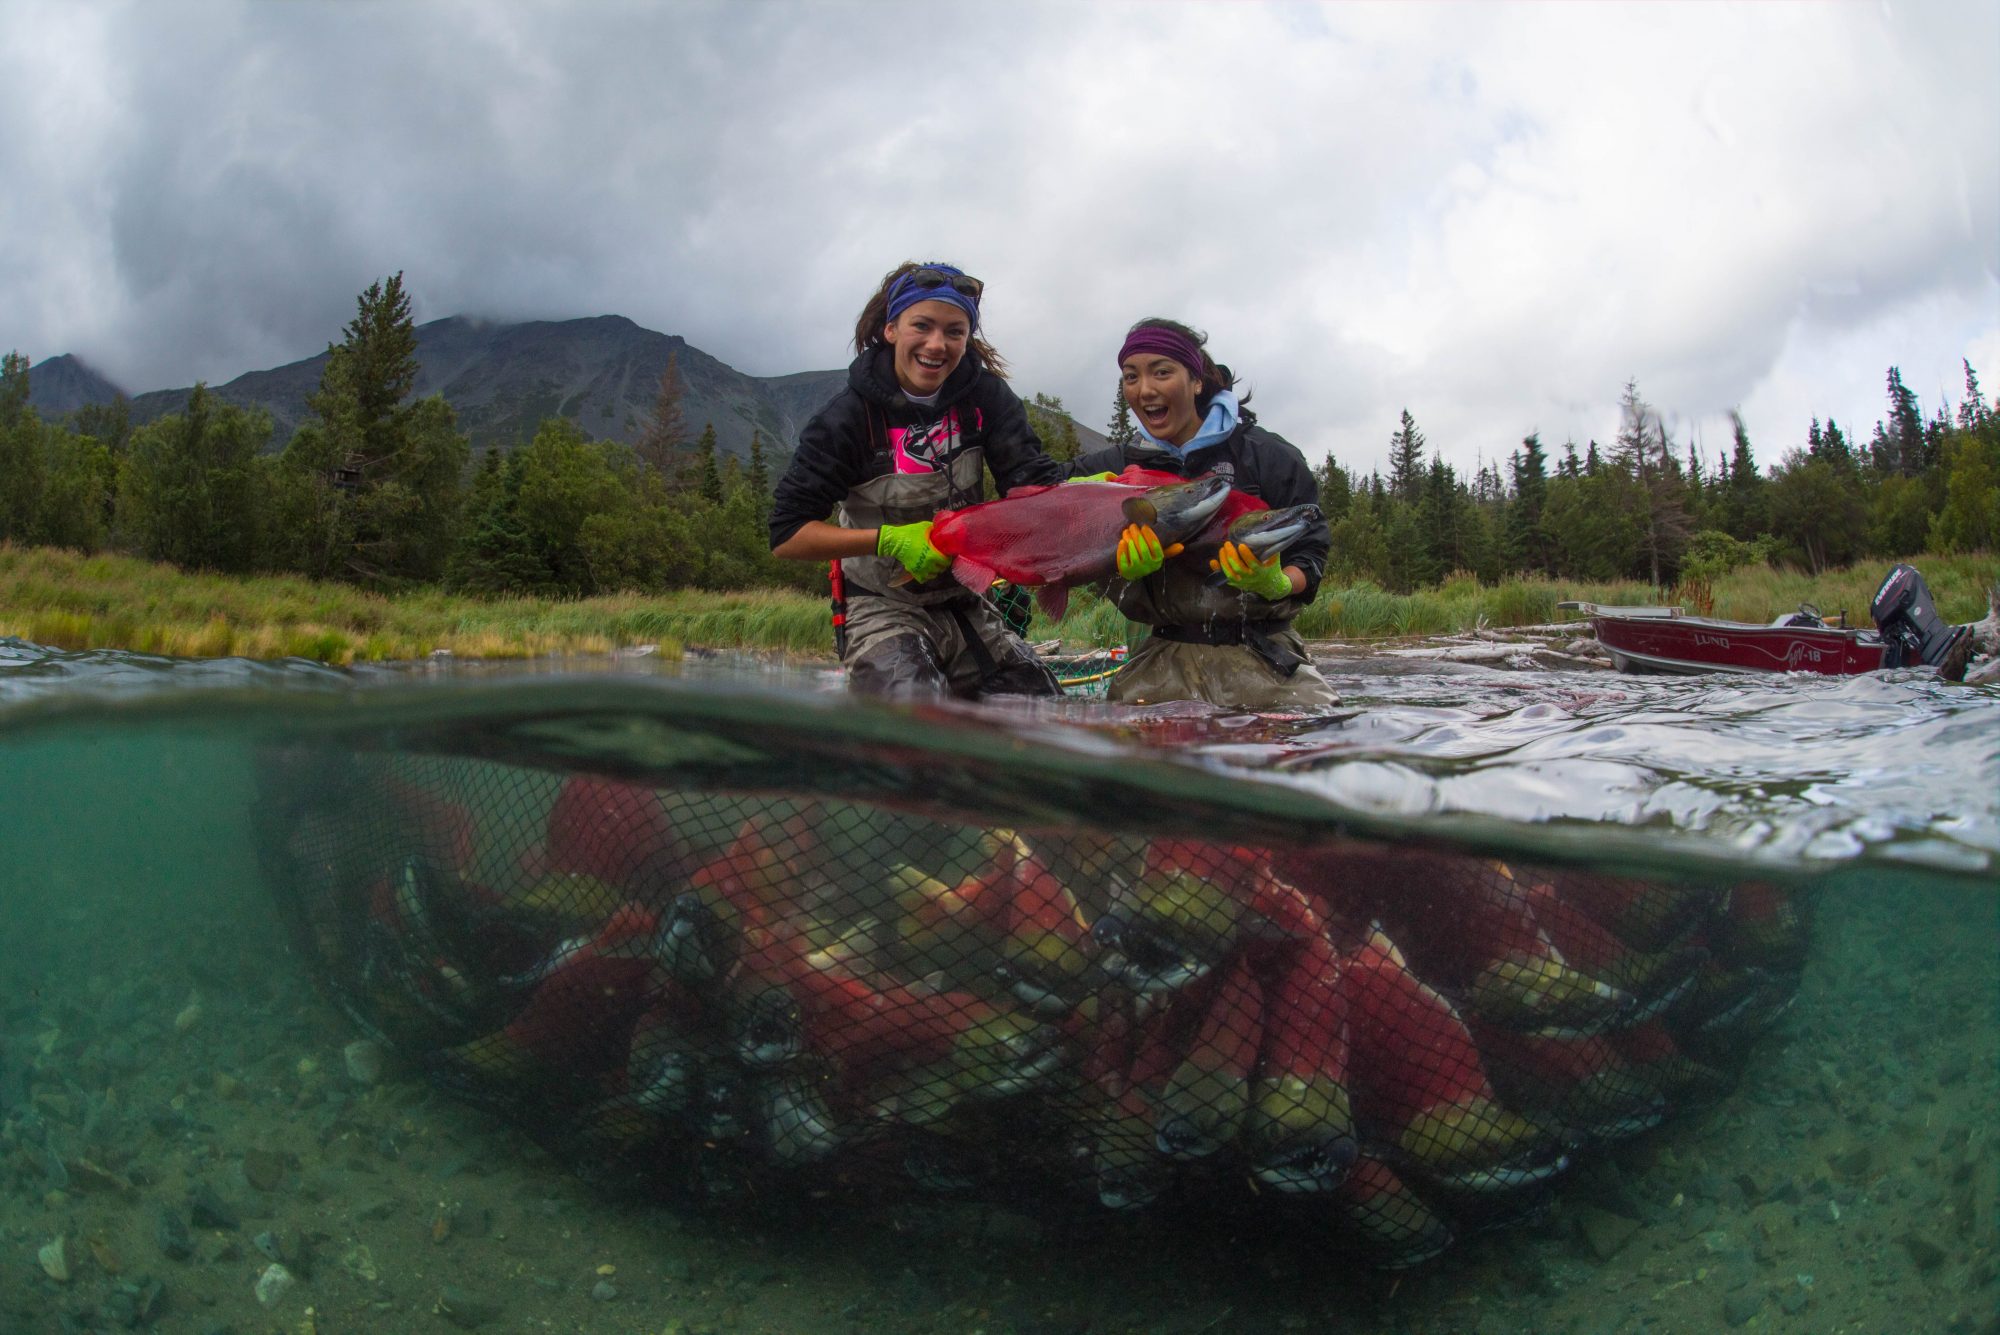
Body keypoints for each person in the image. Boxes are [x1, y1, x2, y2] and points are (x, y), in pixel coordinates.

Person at [769, 261, 1067, 698]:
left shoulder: (987, 399)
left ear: (968, 339)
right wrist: (888, 539)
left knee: (1043, 709)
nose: (936, 344)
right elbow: (787, 534)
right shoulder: (846, 419)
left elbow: (1033, 488)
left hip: (965, 604)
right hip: (881, 607)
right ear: (891, 329)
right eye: (922, 326)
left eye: (954, 331)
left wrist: (1094, 495)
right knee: (916, 709)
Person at [1070, 317, 1338, 710]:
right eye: (1130, 377)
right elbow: (1031, 488)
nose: (1145, 389)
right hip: (1161, 658)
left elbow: (1311, 554)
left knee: (1309, 743)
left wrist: (1278, 582)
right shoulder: (1113, 470)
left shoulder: (1269, 457)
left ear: (1197, 381)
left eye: (1161, 372)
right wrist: (1110, 564)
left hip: (1266, 657)